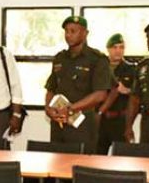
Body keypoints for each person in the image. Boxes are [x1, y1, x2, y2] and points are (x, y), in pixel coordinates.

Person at [44, 16, 111, 153]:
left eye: (73, 31)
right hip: (59, 123)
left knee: (81, 166)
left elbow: (100, 94)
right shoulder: (60, 58)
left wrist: (71, 108)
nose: (68, 35)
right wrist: (49, 108)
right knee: (57, 163)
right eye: (66, 31)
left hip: (82, 123)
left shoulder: (97, 59)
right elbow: (51, 88)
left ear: (85, 33)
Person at [96, 33, 136, 154]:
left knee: (122, 158)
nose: (118, 51)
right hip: (101, 120)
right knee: (96, 157)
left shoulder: (130, 68)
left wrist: (125, 90)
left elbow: (126, 91)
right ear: (108, 49)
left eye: (121, 47)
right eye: (115, 47)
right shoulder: (100, 67)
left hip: (120, 120)